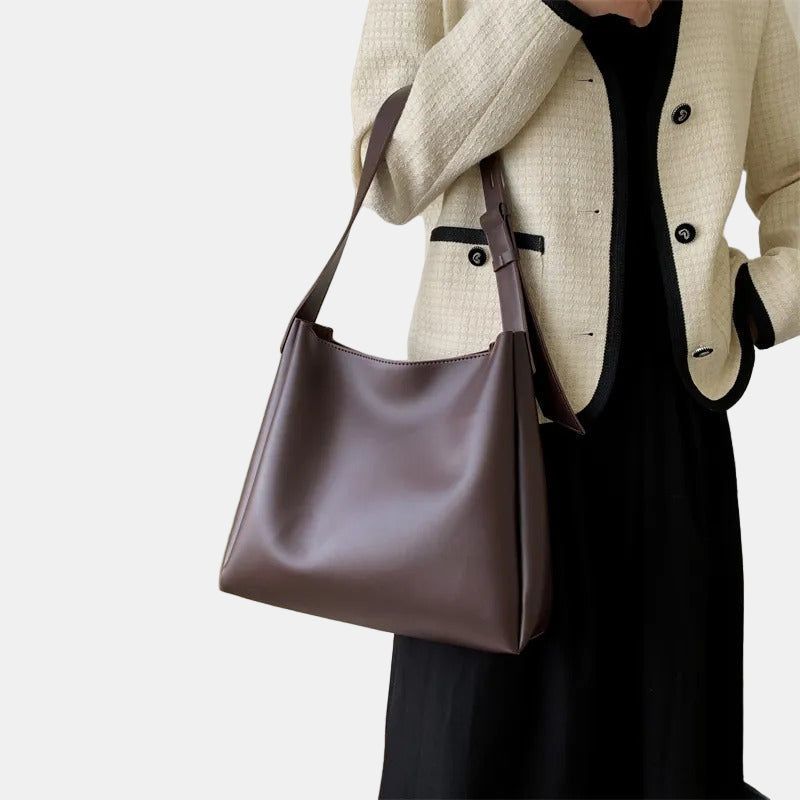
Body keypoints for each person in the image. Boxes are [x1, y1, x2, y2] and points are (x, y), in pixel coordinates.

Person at [349, 1, 799, 798]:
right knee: (467, 760)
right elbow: (387, 172)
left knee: (663, 756)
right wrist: (551, 8)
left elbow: (793, 173)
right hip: (489, 425)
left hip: (671, 435)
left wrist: (761, 304)